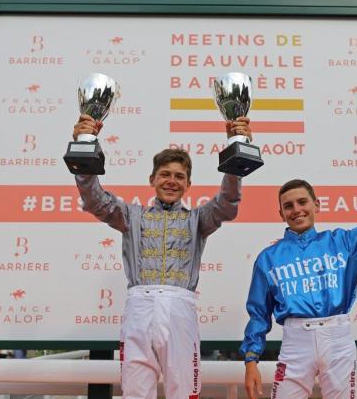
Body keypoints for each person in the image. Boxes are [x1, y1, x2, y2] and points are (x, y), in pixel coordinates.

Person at [73, 113, 252, 399]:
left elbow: (227, 204)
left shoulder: (199, 218)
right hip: (138, 309)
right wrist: (84, 144)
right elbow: (95, 200)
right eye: (165, 174)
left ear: (188, 185)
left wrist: (237, 148)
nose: (171, 181)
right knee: (135, 391)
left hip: (180, 308)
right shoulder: (131, 215)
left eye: (179, 176)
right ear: (152, 179)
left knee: (183, 391)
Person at [240, 137, 357, 399]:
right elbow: (259, 314)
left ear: (316, 205)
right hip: (295, 342)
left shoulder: (344, 242)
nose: (296, 209)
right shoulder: (268, 258)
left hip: (338, 338)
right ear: (280, 213)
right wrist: (251, 359)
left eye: (302, 202)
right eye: (288, 206)